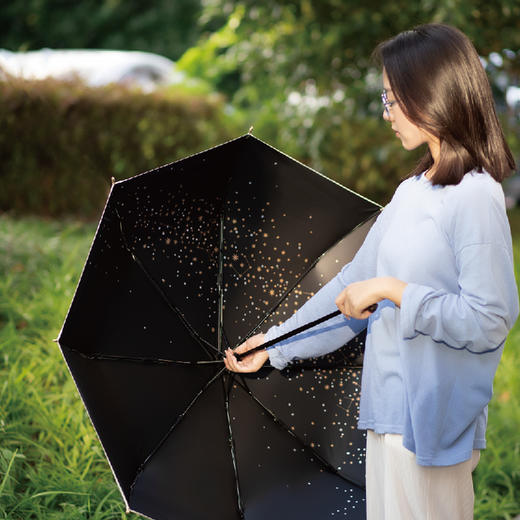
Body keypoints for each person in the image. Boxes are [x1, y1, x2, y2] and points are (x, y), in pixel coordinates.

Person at [224, 23, 519, 520]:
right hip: (387, 413)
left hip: (433, 424)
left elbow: (490, 318)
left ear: (432, 94)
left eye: (391, 99)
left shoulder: (475, 196)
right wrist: (274, 345)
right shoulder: (411, 193)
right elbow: (349, 287)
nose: (386, 114)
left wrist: (395, 291)